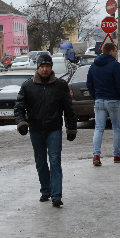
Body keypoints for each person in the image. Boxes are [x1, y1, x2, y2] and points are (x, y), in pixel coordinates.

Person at [14, 53, 78, 207]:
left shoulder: (60, 85)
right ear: (38, 68)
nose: (44, 69)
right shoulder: (28, 86)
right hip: (36, 130)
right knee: (41, 161)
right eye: (42, 66)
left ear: (51, 68)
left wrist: (71, 128)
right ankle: (45, 190)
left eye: (47, 66)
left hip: (54, 129)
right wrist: (21, 122)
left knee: (55, 160)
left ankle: (56, 195)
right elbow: (19, 107)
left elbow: (68, 108)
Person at [86, 42, 120, 166]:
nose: (116, 53)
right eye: (115, 50)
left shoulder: (94, 65)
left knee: (99, 128)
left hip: (99, 101)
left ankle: (96, 155)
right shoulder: (115, 66)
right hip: (114, 100)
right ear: (110, 52)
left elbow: (89, 83)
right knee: (117, 127)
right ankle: (117, 154)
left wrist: (96, 96)